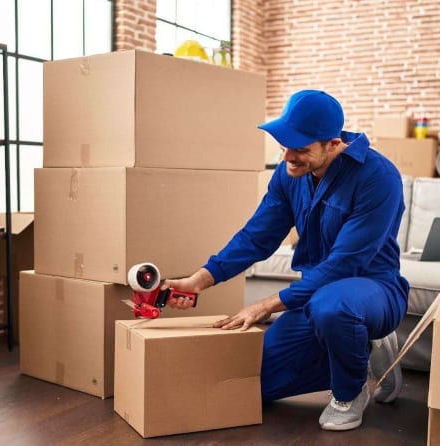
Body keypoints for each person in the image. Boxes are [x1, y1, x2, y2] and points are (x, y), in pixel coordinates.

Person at [163, 90, 409, 431]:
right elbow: (257, 236)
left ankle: (350, 392)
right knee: (253, 384)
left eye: (301, 149)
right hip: (314, 296)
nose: (289, 157)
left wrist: (264, 306)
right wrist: (199, 280)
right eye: (284, 146)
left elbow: (344, 264)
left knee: (334, 306)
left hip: (372, 288)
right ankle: (358, 353)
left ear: (333, 143)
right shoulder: (288, 173)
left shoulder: (378, 177)